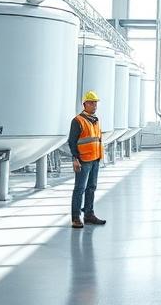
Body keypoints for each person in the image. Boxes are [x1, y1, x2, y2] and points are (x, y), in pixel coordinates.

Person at [68, 90, 107, 229]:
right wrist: (75, 159)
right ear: (85, 104)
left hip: (95, 159)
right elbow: (72, 142)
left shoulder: (95, 120)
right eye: (91, 102)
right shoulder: (77, 121)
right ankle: (75, 217)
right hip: (83, 160)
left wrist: (100, 156)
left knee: (91, 188)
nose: (94, 105)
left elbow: (97, 139)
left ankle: (89, 214)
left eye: (96, 102)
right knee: (79, 188)